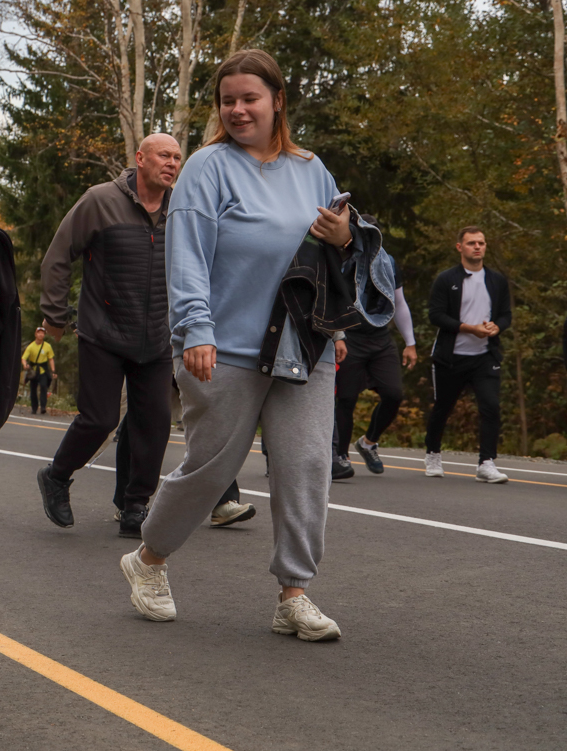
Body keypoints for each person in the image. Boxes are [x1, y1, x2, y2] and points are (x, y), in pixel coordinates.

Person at [121, 49, 379, 641]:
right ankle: (149, 560)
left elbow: (329, 255)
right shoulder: (207, 168)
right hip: (224, 346)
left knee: (307, 466)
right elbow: (186, 255)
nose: (238, 110)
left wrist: (340, 265)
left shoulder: (313, 170)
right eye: (227, 100)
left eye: (250, 98)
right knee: (212, 469)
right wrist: (196, 329)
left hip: (303, 345)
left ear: (277, 101)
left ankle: (294, 593)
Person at [36, 132, 182, 540]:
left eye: (176, 157)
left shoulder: (181, 209)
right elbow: (58, 256)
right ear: (140, 158)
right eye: (163, 156)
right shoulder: (100, 200)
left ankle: (135, 506)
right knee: (99, 419)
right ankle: (57, 476)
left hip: (156, 336)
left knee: (154, 422)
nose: (171, 164)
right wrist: (55, 315)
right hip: (103, 331)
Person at [423, 227, 512, 483]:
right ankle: (433, 453)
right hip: (452, 357)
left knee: (491, 407)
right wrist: (468, 328)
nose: (477, 247)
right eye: (472, 242)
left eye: (481, 243)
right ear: (459, 247)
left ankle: (486, 463)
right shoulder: (446, 279)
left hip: (485, 357)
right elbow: (435, 315)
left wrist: (497, 327)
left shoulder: (497, 280)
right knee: (443, 407)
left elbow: (506, 314)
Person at [332, 217, 417, 475]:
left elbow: (399, 303)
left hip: (380, 338)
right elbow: (332, 299)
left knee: (394, 394)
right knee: (346, 399)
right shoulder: (340, 259)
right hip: (350, 337)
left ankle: (368, 442)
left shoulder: (388, 262)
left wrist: (410, 343)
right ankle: (341, 456)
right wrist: (337, 336)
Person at [21, 327, 57, 414]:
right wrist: (25, 365)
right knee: (33, 389)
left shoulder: (47, 346)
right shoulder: (31, 346)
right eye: (39, 333)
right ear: (36, 334)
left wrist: (53, 370)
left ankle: (43, 407)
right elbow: (24, 358)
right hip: (33, 371)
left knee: (44, 387)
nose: (41, 335)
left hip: (43, 370)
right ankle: (34, 407)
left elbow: (51, 359)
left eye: (43, 333)